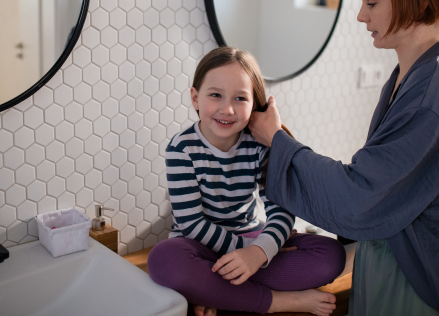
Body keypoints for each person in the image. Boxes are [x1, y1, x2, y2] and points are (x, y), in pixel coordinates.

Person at [249, 0, 439, 316]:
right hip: (396, 264)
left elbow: (362, 195)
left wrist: (275, 140)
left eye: (371, 2)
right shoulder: (410, 77)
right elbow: (381, 178)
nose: (362, 16)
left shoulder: (437, 89)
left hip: (421, 282)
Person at [147, 47, 346, 316]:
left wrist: (259, 253)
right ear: (195, 98)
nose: (227, 109)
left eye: (240, 98)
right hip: (201, 249)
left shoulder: (260, 146)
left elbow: (280, 212)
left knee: (332, 256)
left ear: (254, 105)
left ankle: (212, 291)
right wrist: (248, 253)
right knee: (164, 260)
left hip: (250, 243)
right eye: (215, 95)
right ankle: (279, 301)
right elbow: (192, 223)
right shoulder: (182, 149)